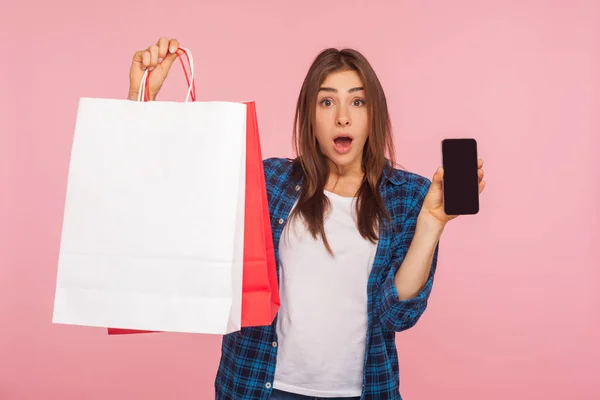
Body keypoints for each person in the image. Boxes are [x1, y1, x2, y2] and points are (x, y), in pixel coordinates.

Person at [127, 37, 486, 400]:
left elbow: (397, 316)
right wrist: (142, 101)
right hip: (260, 387)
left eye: (357, 101)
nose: (342, 116)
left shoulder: (408, 195)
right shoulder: (269, 182)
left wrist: (432, 223)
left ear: (373, 113)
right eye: (327, 101)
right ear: (309, 116)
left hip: (364, 392)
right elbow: (179, 205)